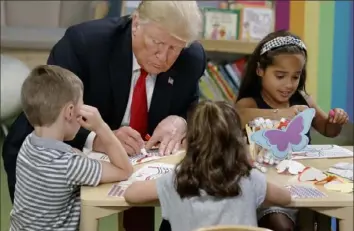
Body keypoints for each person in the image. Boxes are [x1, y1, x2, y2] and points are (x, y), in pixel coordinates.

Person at [2, 1, 205, 231]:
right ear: (136, 23)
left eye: (175, 48)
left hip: (144, 156)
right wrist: (96, 138)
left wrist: (181, 121)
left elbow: (192, 107)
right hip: (80, 139)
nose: (164, 57)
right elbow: (49, 107)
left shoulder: (192, 59)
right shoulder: (85, 43)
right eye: (157, 43)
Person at [235, 30, 349, 231]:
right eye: (280, 76)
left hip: (305, 185)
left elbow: (328, 129)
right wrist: (283, 114)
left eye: (295, 77)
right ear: (260, 70)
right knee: (280, 224)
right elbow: (240, 115)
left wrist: (336, 119)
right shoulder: (249, 102)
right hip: (269, 190)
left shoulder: (303, 98)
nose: (288, 85)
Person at [124, 100, 292, 231]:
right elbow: (285, 198)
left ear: (188, 143)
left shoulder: (176, 180)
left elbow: (131, 195)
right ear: (238, 143)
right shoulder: (250, 179)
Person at [10, 65, 133, 231]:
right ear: (69, 112)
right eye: (81, 108)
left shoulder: (28, 144)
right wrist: (101, 127)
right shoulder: (69, 165)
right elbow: (124, 170)